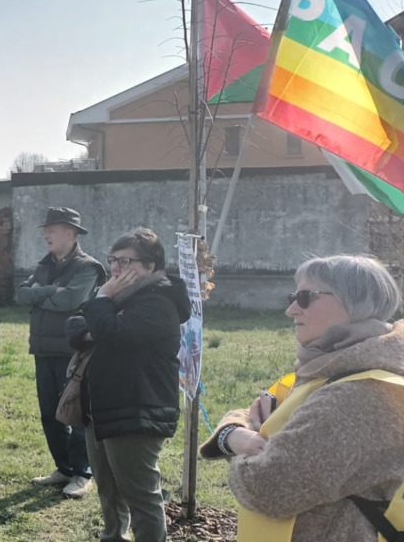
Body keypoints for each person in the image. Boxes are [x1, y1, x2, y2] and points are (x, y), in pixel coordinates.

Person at [198, 255, 404, 542]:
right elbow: (260, 408)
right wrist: (233, 435)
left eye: (306, 297)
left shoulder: (357, 395)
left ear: (354, 302)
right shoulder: (331, 367)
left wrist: (244, 446)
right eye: (292, 296)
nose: (291, 310)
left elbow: (269, 489)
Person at [69, 228, 188, 542]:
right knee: (108, 489)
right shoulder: (121, 298)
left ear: (150, 267)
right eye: (113, 260)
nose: (116, 268)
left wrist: (101, 311)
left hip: (138, 410)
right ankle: (113, 537)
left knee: (141, 496)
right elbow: (74, 326)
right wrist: (100, 320)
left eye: (126, 261)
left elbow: (108, 331)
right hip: (105, 406)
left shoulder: (158, 303)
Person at [16, 207, 107, 498]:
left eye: (51, 230)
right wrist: (49, 290)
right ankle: (64, 468)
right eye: (46, 230)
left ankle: (83, 472)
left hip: (73, 352)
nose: (46, 234)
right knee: (49, 413)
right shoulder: (44, 265)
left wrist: (41, 293)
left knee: (76, 411)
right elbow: (20, 294)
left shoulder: (87, 267)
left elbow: (70, 300)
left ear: (70, 233)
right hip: (42, 350)